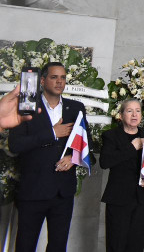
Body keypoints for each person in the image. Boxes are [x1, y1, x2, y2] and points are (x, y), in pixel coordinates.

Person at [8, 61, 86, 252]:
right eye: (54, 77)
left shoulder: (76, 108)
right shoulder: (26, 107)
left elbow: (85, 144)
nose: (60, 82)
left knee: (58, 246)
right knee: (25, 245)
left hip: (63, 193)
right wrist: (52, 133)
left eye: (63, 77)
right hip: (33, 190)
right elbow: (15, 145)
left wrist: (73, 158)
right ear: (42, 81)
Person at [100, 98, 144, 252]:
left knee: (135, 244)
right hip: (119, 199)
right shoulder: (111, 135)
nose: (134, 115)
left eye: (138, 111)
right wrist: (132, 147)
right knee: (117, 243)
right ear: (120, 115)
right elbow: (105, 162)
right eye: (129, 111)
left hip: (142, 198)